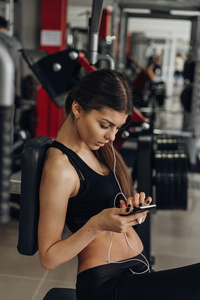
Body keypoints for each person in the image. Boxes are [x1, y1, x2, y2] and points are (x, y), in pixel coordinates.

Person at [38, 69, 200, 300]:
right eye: (105, 125)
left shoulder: (101, 151)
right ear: (77, 109)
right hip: (107, 285)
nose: (112, 137)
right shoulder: (60, 168)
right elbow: (49, 258)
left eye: (117, 128)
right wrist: (96, 225)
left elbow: (111, 208)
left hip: (138, 272)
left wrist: (133, 212)